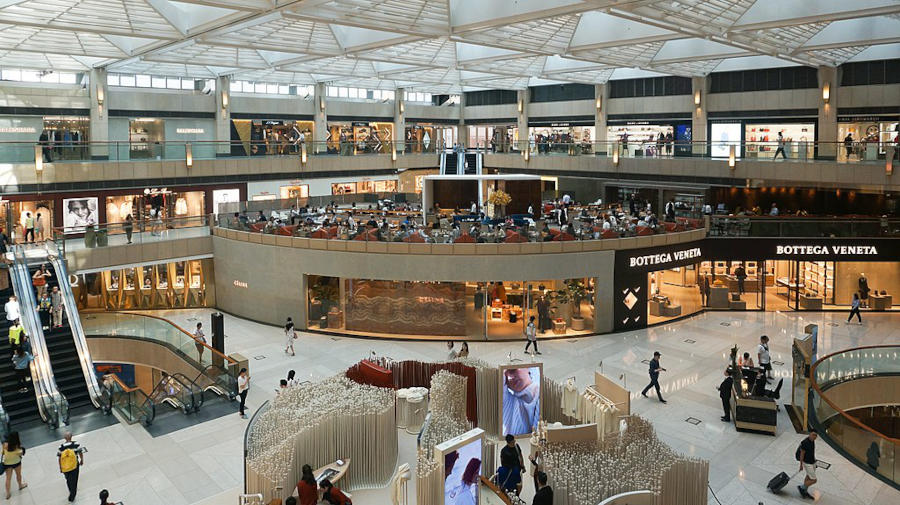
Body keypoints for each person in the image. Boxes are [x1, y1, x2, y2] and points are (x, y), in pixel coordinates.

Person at [502, 367, 540, 436]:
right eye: (506, 377)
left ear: (528, 368)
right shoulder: (508, 401)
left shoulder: (543, 395)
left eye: (512, 370)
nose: (510, 378)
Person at [58, 431, 84, 502]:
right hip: (74, 466)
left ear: (64, 438)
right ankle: (72, 494)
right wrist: (81, 460)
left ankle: (70, 490)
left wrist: (60, 468)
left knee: (68, 479)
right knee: (74, 480)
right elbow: (80, 452)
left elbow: (59, 458)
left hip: (65, 467)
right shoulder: (76, 444)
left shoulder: (61, 447)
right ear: (71, 437)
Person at [2, 431, 27, 499]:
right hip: (16, 463)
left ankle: (8, 493)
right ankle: (20, 485)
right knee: (18, 475)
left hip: (7, 463)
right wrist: (22, 450)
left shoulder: (5, 444)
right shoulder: (16, 446)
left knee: (8, 478)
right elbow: (20, 453)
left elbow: (2, 452)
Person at [796, 430, 818, 499]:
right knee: (814, 480)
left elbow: (812, 452)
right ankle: (801, 487)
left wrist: (815, 461)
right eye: (813, 434)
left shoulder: (812, 441)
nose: (814, 437)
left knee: (808, 476)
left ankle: (804, 491)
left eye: (816, 435)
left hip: (812, 462)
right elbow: (802, 454)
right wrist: (801, 465)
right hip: (807, 463)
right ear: (810, 434)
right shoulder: (805, 442)